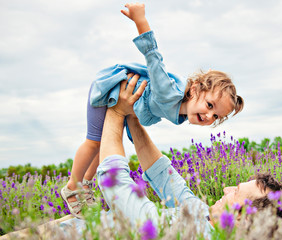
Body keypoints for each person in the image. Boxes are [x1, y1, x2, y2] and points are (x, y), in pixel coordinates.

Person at [61, 2, 245, 218]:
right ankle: (73, 186)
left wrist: (130, 119)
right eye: (210, 106)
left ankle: (84, 186)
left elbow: (139, 113)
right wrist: (141, 21)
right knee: (93, 141)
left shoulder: (180, 115)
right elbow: (153, 58)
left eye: (216, 117)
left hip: (121, 99)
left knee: (101, 144)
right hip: (110, 87)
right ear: (194, 89)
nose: (208, 116)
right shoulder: (170, 92)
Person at [60, 74, 282, 238]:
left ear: (242, 218)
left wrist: (117, 110)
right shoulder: (206, 215)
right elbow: (164, 177)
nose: (226, 189)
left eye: (235, 192)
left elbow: (127, 204)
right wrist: (132, 116)